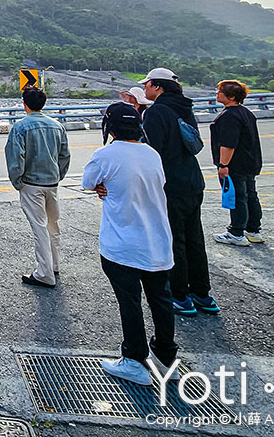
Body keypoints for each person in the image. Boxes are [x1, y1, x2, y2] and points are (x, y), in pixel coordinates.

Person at [82, 103, 178, 386]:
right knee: (161, 299)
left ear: (109, 128)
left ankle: (135, 360)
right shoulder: (152, 154)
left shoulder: (106, 154)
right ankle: (166, 357)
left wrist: (103, 186)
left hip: (122, 244)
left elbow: (89, 182)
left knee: (130, 301)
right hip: (158, 241)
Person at [140, 68, 218, 317]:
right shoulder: (185, 108)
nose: (145, 89)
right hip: (193, 181)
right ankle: (202, 294)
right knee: (195, 238)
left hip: (170, 183)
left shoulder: (156, 113)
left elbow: (152, 153)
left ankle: (180, 295)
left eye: (147, 85)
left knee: (175, 239)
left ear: (157, 86)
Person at [5, 86, 71, 288]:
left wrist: (18, 182)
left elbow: (16, 157)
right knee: (53, 226)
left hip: (31, 184)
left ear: (24, 104)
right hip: (51, 183)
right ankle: (54, 265)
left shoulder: (21, 127)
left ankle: (44, 273)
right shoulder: (56, 125)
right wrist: (57, 176)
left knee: (39, 228)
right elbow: (64, 155)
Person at [210, 80, 264, 248]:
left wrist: (223, 164)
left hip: (236, 164)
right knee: (251, 195)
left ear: (231, 96)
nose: (217, 94)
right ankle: (253, 230)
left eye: (220, 92)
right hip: (250, 161)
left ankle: (236, 232)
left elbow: (228, 143)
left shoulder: (229, 116)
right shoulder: (246, 113)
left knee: (238, 197)